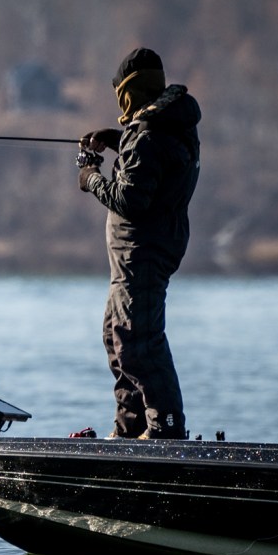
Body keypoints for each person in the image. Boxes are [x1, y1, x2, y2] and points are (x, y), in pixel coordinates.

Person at [77, 47, 201, 439]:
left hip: (142, 252)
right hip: (136, 254)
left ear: (129, 93)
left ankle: (165, 428)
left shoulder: (149, 135)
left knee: (137, 340)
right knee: (117, 337)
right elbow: (153, 160)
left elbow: (131, 199)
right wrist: (119, 139)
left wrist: (91, 178)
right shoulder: (167, 125)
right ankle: (130, 428)